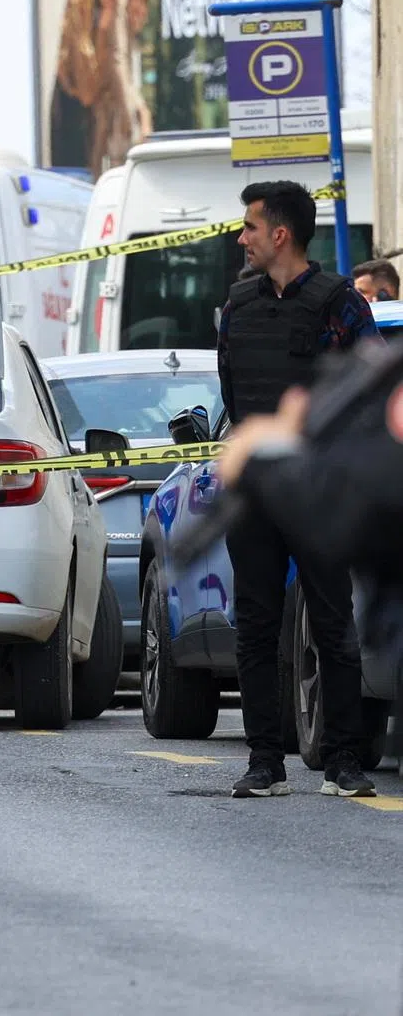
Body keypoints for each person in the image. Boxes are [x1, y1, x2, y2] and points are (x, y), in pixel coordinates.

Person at [218, 180, 381, 799]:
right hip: (258, 491)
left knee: (333, 622)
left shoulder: (339, 302)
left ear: (279, 234)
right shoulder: (237, 306)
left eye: (250, 227)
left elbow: (368, 393)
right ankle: (265, 761)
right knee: (255, 627)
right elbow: (235, 396)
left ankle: (343, 760)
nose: (243, 237)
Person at [49, 0, 122, 170]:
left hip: (83, 115)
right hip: (70, 112)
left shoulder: (98, 3)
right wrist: (103, 31)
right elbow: (88, 87)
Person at [90, 0, 153, 177]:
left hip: (118, 101)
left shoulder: (131, 11)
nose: (139, 5)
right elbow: (117, 61)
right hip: (109, 101)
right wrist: (136, 112)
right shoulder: (120, 2)